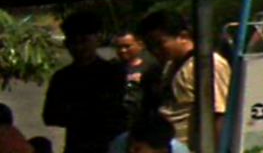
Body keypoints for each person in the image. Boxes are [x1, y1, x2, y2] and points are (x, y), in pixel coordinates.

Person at [138, 11, 231, 151]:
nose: (155, 51)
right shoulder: (170, 66)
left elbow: (218, 113)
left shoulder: (207, 65)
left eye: (160, 44)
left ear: (183, 36)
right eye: (150, 46)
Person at [43, 11, 127, 153]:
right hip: (77, 146)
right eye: (73, 42)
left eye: (84, 41)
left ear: (97, 40)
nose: (79, 48)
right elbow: (50, 116)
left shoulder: (113, 73)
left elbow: (117, 111)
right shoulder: (62, 77)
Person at [113, 30, 158, 126]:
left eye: (127, 46)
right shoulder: (112, 68)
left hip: (141, 120)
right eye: (119, 47)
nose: (122, 50)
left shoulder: (150, 67)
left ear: (140, 45)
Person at [108, 113, 189, 153]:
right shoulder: (120, 144)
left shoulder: (179, 151)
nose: (131, 150)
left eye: (137, 149)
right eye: (129, 144)